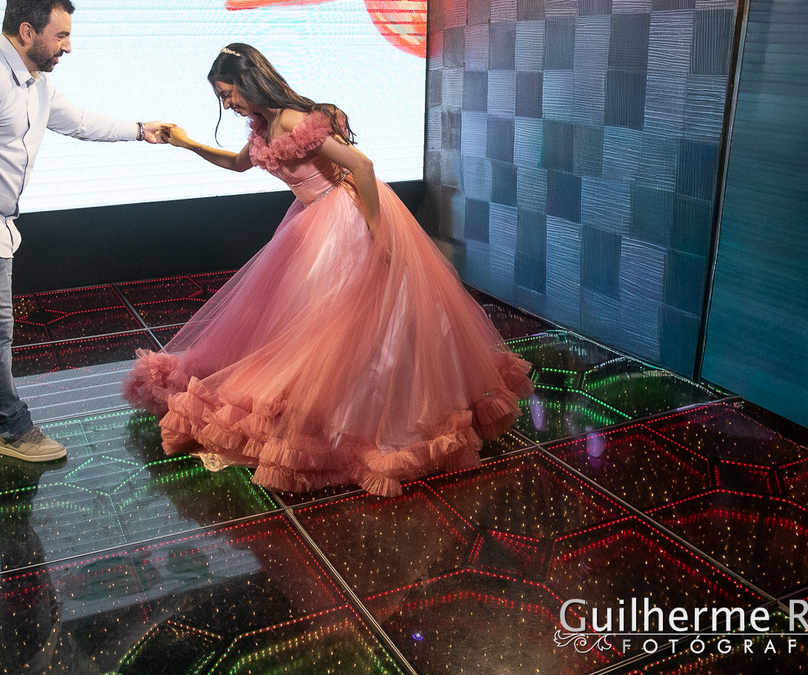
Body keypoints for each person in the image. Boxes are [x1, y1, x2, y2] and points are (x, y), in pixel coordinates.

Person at [123, 43, 533, 496]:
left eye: (228, 93)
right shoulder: (264, 124)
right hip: (312, 220)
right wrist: (185, 142)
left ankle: (359, 417)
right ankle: (325, 407)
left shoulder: (293, 120)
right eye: (222, 97)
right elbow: (237, 165)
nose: (228, 103)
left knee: (354, 323)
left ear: (248, 81)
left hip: (344, 218)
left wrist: (377, 229)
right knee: (318, 325)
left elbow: (361, 165)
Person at [0, 0, 164, 463]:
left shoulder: (33, 80)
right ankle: (13, 428)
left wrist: (140, 131)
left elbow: (78, 121)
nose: (69, 46)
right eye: (61, 35)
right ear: (27, 31)